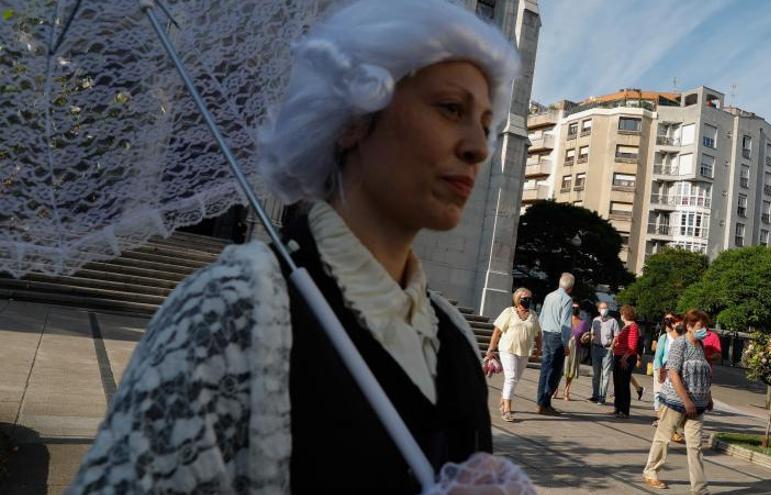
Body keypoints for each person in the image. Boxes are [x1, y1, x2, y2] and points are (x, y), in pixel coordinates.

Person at [68, 1, 525, 493]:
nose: (479, 146)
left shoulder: (453, 336)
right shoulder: (232, 311)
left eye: (485, 121)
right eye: (451, 109)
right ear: (354, 119)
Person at [643, 309, 714, 494]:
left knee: (695, 446)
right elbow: (673, 373)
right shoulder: (679, 344)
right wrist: (685, 400)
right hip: (676, 402)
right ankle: (651, 472)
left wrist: (708, 397)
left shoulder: (700, 345)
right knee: (663, 438)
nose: (704, 329)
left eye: (705, 326)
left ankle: (699, 489)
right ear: (689, 326)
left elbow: (703, 373)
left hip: (698, 405)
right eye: (700, 326)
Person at [486, 288, 542, 422]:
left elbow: (538, 334)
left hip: (524, 352)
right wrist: (491, 348)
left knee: (514, 379)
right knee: (511, 377)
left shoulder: (533, 315)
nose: (528, 300)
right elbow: (497, 332)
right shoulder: (509, 312)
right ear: (518, 298)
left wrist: (539, 349)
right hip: (508, 349)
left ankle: (503, 400)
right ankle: (507, 410)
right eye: (525, 297)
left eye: (529, 298)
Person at [536, 273, 575, 415]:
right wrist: (565, 344)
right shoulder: (567, 300)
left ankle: (543, 402)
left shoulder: (549, 296)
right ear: (570, 287)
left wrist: (540, 336)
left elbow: (542, 316)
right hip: (557, 337)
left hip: (546, 334)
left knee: (545, 370)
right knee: (555, 372)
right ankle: (544, 403)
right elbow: (565, 324)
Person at [611, 305, 640, 419]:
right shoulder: (625, 327)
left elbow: (632, 346)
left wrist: (624, 358)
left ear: (625, 314)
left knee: (623, 384)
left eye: (622, 313)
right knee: (617, 383)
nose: (621, 315)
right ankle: (617, 408)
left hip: (625, 358)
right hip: (618, 356)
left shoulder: (633, 327)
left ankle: (624, 410)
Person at [557, 303, 590, 401]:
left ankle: (566, 391)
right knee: (560, 369)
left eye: (577, 308)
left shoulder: (583, 323)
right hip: (564, 346)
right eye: (573, 308)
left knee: (570, 371)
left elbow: (584, 338)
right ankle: (555, 389)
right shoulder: (565, 320)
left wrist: (586, 338)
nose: (575, 309)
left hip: (576, 348)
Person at [589, 301, 619, 405]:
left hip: (607, 349)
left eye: (606, 308)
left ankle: (602, 397)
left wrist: (611, 346)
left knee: (605, 375)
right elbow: (592, 333)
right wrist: (590, 339)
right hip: (596, 348)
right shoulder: (595, 320)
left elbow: (616, 335)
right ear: (598, 309)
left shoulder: (613, 321)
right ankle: (595, 395)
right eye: (602, 308)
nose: (604, 310)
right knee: (595, 374)